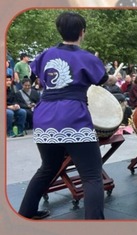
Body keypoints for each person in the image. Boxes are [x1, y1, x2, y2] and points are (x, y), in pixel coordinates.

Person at [19, 12, 108, 219]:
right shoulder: (86, 57)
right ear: (82, 32)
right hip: (72, 116)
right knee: (92, 176)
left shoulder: (44, 54)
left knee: (48, 167)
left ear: (60, 30)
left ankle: (26, 213)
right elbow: (102, 79)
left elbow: (36, 76)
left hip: (44, 115)